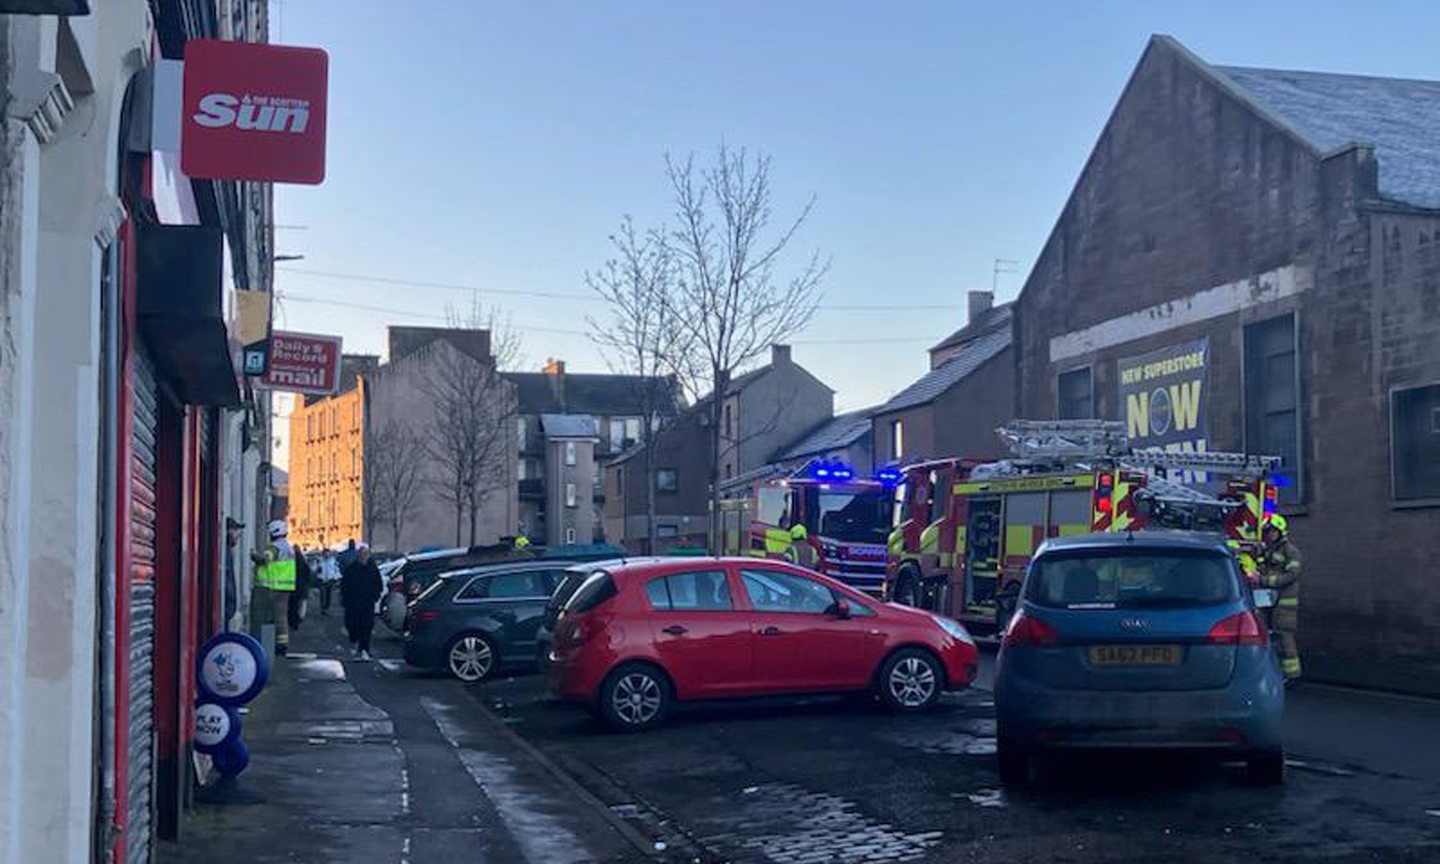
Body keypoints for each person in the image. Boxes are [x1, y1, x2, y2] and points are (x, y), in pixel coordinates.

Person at [1259, 514, 1302, 682]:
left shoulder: (1291, 551)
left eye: (1271, 531)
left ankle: (1292, 676)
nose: (1268, 535)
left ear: (1280, 532)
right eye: (1266, 532)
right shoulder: (1268, 550)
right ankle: (1274, 672)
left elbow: (1292, 575)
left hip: (1285, 603)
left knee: (1284, 637)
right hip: (1268, 601)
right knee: (1267, 637)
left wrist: (1263, 580)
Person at [253, 520, 297, 657]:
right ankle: (282, 645)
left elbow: (265, 559)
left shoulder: (274, 547)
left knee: (268, 618)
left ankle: (269, 646)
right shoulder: (288, 548)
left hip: (272, 587)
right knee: (282, 617)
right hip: (286, 587)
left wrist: (253, 556)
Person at [341, 543, 383, 661]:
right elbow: (345, 585)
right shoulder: (351, 568)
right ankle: (355, 641)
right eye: (361, 554)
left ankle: (364, 649)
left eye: (366, 554)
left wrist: (375, 596)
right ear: (358, 555)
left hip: (367, 603)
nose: (364, 556)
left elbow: (378, 585)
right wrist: (345, 599)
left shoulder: (373, 569)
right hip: (353, 604)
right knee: (353, 625)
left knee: (366, 626)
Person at [288, 546, 316, 632]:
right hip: (301, 587)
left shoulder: (290, 561)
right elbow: (308, 575)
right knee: (299, 604)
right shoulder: (303, 562)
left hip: (291, 586)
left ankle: (292, 621)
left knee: (292, 605)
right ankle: (298, 620)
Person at [223, 517, 244, 628]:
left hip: (227, 609)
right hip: (225, 608)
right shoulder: (225, 552)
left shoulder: (228, 551)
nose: (238, 536)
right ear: (229, 531)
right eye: (236, 531)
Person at [318, 549, 342, 614]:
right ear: (323, 554)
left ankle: (327, 607)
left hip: (330, 580)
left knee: (328, 594)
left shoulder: (333, 561)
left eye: (327, 553)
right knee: (322, 595)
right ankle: (323, 608)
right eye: (325, 553)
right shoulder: (319, 561)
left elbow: (336, 570)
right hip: (322, 580)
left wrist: (337, 578)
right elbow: (315, 569)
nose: (326, 555)